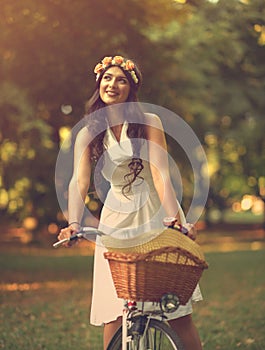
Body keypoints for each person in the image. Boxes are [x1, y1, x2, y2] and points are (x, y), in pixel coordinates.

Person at [58, 55, 203, 350]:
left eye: (121, 79)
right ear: (99, 83)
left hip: (153, 212)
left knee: (175, 311)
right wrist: (74, 223)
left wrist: (176, 218)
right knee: (114, 312)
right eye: (107, 78)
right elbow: (80, 181)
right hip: (114, 217)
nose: (113, 84)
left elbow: (161, 173)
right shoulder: (88, 131)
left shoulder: (149, 121)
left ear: (131, 89)